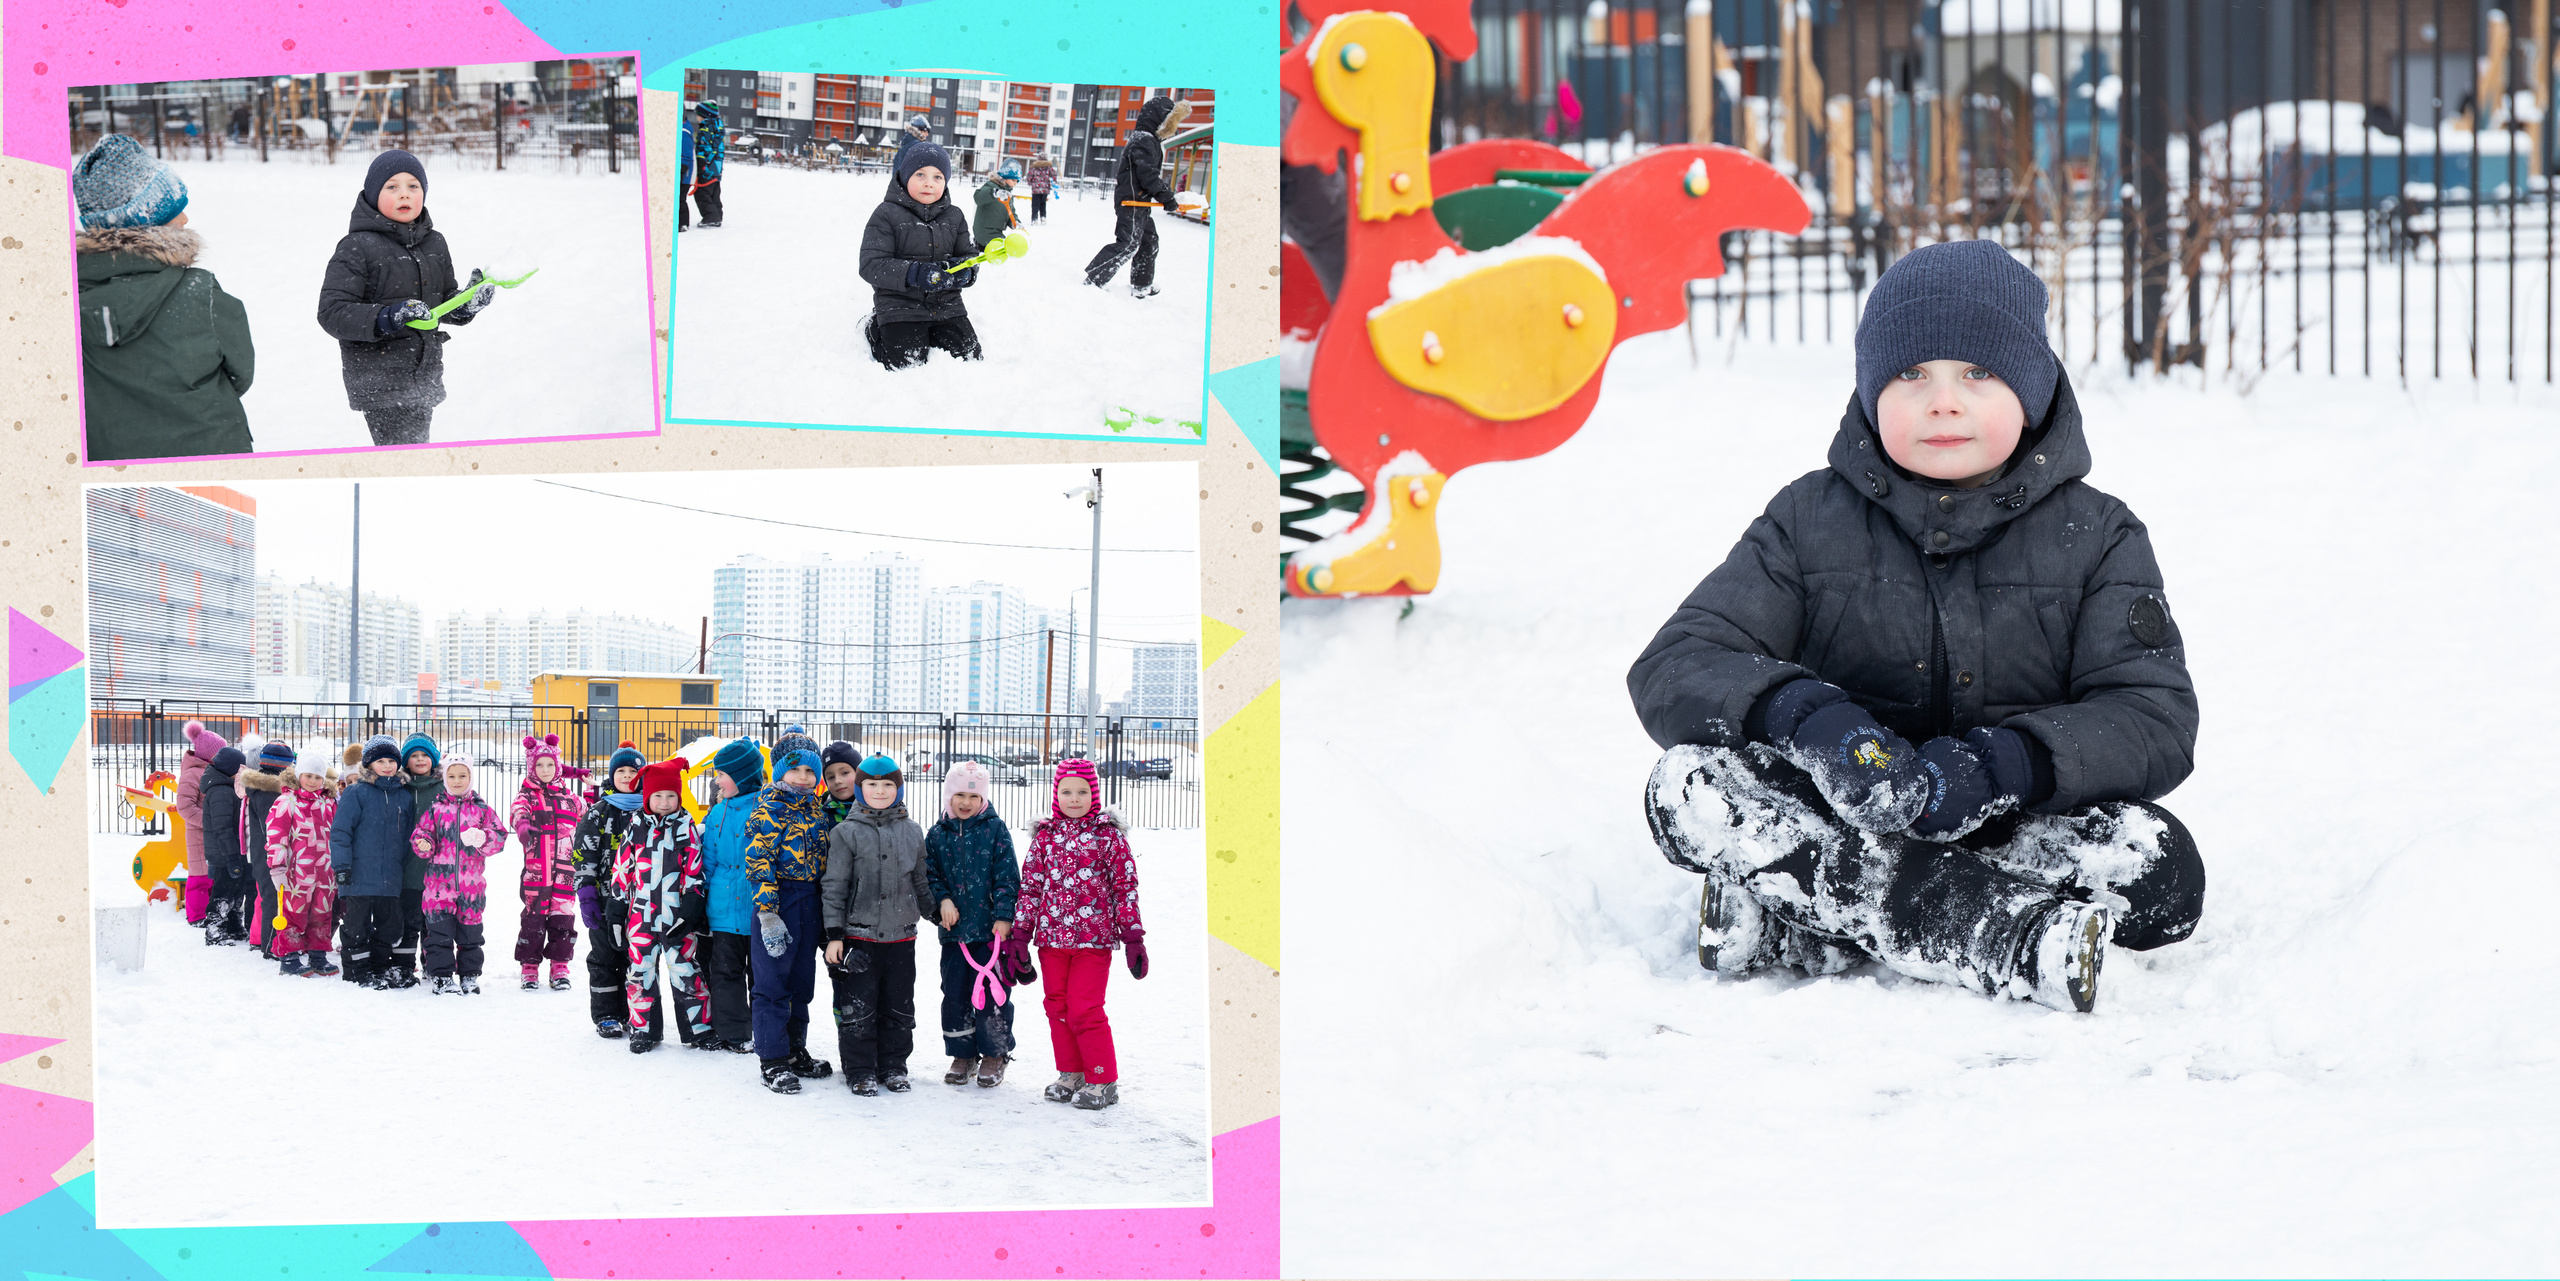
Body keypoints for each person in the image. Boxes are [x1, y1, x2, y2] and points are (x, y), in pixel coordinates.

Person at [1630, 239, 2204, 1016]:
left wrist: (2006, 765)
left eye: (1978, 373)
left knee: (2161, 870)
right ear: (1871, 392)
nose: (1943, 401)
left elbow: (2153, 717)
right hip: (1844, 806)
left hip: (2015, 825)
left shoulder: (2099, 534)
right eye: (1911, 375)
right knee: (1687, 786)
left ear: (2031, 390)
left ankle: (1805, 923)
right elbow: (1679, 660)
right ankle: (2000, 935)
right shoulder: (1808, 520)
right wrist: (1813, 722)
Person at [72, 135, 255, 462]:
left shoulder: (68, 302)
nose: (185, 220)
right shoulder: (199, 292)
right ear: (147, 223)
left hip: (110, 456)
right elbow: (240, 371)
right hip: (211, 448)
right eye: (174, 211)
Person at [315, 149, 498, 447]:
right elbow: (332, 312)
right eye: (392, 187)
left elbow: (441, 304)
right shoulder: (356, 247)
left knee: (413, 453)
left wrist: (465, 304)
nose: (404, 195)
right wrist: (388, 317)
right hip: (380, 380)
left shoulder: (434, 243)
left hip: (423, 374)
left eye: (413, 186)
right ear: (373, 195)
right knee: (404, 457)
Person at [1012, 759, 1146, 1110]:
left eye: (1082, 791)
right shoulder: (1045, 836)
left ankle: (1102, 1077)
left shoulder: (1108, 837)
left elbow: (1124, 887)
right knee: (1057, 1007)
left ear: (1094, 794)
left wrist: (1133, 937)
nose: (1074, 798)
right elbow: (1030, 888)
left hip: (1093, 940)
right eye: (1067, 791)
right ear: (1056, 794)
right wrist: (1020, 936)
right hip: (1052, 940)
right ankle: (1071, 1072)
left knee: (1085, 1009)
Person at [820, 754, 931, 1096]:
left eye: (887, 785)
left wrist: (937, 913)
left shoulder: (912, 831)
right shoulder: (845, 833)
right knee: (858, 1010)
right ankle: (860, 1069)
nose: (880, 790)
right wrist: (834, 936)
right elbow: (834, 886)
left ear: (898, 789)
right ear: (859, 788)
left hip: (901, 937)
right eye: (871, 784)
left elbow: (922, 882)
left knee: (898, 1007)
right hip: (859, 938)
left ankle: (894, 1066)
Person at [744, 727, 835, 1093]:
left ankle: (796, 1050)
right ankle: (773, 1060)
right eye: (795, 770)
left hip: (809, 902)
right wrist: (768, 913)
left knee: (801, 982)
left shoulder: (815, 809)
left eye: (810, 772)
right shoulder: (769, 809)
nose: (803, 777)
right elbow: (759, 861)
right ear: (780, 771)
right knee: (771, 983)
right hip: (778, 902)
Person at [926, 760, 1020, 1089]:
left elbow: (1007, 877)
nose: (966, 802)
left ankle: (995, 1053)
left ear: (984, 800)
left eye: (973, 796)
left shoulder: (995, 830)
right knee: (955, 995)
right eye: (959, 795)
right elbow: (930, 876)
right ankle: (962, 1054)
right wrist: (943, 901)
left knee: (994, 995)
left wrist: (1004, 915)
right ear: (948, 796)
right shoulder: (937, 835)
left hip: (990, 934)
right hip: (955, 936)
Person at [857, 139, 983, 370]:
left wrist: (965, 273)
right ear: (905, 177)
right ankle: (874, 328)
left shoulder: (955, 217)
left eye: (938, 177)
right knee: (905, 365)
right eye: (920, 175)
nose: (929, 184)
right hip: (900, 305)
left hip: (946, 304)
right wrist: (914, 273)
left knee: (970, 358)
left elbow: (969, 256)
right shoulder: (886, 214)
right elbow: (870, 264)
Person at [616, 757, 711, 1053]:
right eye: (658, 795)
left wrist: (692, 908)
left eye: (671, 795)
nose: (665, 801)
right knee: (640, 974)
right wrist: (616, 911)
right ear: (647, 797)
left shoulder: (686, 827)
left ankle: (699, 1029)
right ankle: (643, 1029)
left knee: (686, 972)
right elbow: (623, 869)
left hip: (676, 918)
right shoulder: (635, 827)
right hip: (640, 918)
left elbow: (695, 871)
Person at [413, 756, 508, 996]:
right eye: (452, 776)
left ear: (471, 777)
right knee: (439, 934)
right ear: (445, 778)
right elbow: (421, 832)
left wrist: (483, 838)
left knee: (471, 935)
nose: (457, 781)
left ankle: (469, 975)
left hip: (471, 886)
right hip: (438, 886)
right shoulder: (436, 809)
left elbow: (499, 836)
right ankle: (442, 976)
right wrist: (423, 843)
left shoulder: (482, 809)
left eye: (462, 776)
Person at [330, 736, 419, 989]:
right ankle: (358, 971)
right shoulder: (356, 792)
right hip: (358, 874)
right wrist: (342, 867)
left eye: (392, 760)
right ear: (369, 763)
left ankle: (379, 969)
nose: (387, 765)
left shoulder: (403, 795)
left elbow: (408, 836)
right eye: (381, 760)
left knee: (387, 927)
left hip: (390, 876)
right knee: (356, 927)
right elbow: (340, 833)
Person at [1083, 95, 1192, 298]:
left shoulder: (1148, 140)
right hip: (1130, 202)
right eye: (1171, 121)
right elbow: (1147, 175)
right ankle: (1094, 278)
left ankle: (1141, 285)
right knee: (1128, 244)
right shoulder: (1143, 141)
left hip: (1139, 202)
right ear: (1160, 120)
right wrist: (1166, 196)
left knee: (1149, 241)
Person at [574, 741, 649, 1037]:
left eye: (634, 770)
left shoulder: (650, 807)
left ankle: (633, 1011)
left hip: (642, 901)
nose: (628, 776)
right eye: (622, 771)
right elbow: (583, 853)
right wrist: (587, 893)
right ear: (612, 775)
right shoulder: (599, 812)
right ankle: (607, 1014)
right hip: (605, 900)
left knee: (636, 959)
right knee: (605, 956)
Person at [698, 737, 767, 1053]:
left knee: (763, 975)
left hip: (761, 907)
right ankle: (734, 1033)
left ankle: (765, 1027)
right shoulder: (717, 814)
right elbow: (708, 861)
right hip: (723, 909)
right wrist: (704, 900)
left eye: (721, 774)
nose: (716, 780)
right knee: (725, 972)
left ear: (739, 777)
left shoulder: (768, 810)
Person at [511, 733, 582, 992]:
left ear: (558, 766)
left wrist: (596, 789)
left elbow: (589, 812)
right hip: (536, 872)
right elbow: (518, 813)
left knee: (563, 918)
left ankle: (560, 966)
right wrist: (523, 828)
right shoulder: (526, 796)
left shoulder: (569, 798)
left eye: (550, 764)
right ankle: (529, 967)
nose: (545, 770)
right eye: (539, 765)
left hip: (565, 871)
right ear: (532, 767)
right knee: (533, 919)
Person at [264, 743, 341, 978]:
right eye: (308, 775)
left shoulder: (328, 804)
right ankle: (289, 957)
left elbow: (338, 835)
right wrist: (277, 867)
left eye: (318, 777)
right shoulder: (287, 802)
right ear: (299, 776)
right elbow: (275, 835)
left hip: (325, 871)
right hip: (296, 871)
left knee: (322, 912)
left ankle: (318, 953)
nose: (313, 781)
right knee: (293, 913)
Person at [387, 731, 447, 988]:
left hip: (439, 869)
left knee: (435, 924)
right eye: (414, 756)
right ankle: (402, 966)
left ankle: (433, 967)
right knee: (408, 921)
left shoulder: (446, 787)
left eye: (425, 755)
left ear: (434, 759)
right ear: (406, 762)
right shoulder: (399, 787)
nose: (420, 759)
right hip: (408, 867)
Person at [238, 738, 295, 959]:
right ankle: (271, 945)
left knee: (270, 896)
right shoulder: (269, 793)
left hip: (264, 852)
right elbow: (272, 827)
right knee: (274, 897)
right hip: (269, 853)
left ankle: (267, 941)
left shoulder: (261, 789)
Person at [173, 720, 227, 927]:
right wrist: (208, 822)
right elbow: (185, 806)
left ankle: (210, 911)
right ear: (208, 755)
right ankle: (196, 916)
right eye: (219, 753)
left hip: (211, 834)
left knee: (212, 875)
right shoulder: (192, 774)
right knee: (199, 877)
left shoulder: (211, 771)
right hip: (199, 833)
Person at [197, 742, 250, 946]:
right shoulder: (221, 792)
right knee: (223, 891)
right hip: (224, 853)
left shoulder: (227, 789)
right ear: (230, 771)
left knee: (236, 890)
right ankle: (214, 929)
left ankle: (233, 926)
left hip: (231, 851)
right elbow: (222, 828)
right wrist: (231, 856)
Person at [688, 100, 726, 228]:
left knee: (701, 192)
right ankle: (717, 216)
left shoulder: (706, 129)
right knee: (714, 193)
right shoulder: (717, 128)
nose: (696, 117)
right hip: (716, 168)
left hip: (707, 167)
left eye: (697, 114)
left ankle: (711, 217)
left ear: (704, 115)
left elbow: (705, 149)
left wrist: (701, 164)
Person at [973, 165, 1021, 246]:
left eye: (1017, 181)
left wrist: (1015, 222)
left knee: (1012, 247)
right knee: (1002, 251)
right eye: (1013, 180)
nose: (1015, 183)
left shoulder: (1007, 194)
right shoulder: (991, 186)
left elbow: (1010, 212)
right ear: (1004, 178)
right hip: (984, 232)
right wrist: (994, 193)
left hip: (997, 232)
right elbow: (978, 197)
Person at [1026, 157, 1056, 223]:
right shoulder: (1049, 168)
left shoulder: (1034, 168)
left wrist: (1031, 183)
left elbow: (1029, 177)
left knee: (1035, 204)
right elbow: (1054, 176)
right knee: (1043, 203)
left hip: (1035, 190)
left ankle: (1034, 218)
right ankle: (1043, 217)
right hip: (1045, 189)